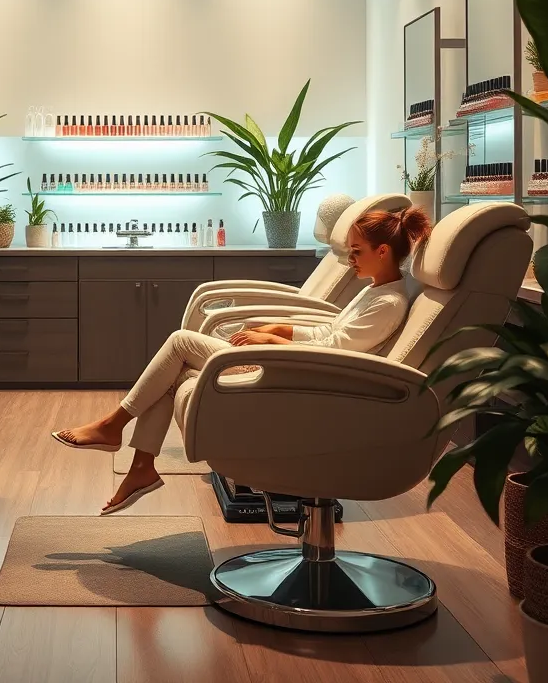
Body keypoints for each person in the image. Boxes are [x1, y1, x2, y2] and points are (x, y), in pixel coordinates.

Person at [52, 206, 432, 514]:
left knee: (180, 342)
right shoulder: (375, 291)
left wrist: (269, 341)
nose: (350, 259)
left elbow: (333, 354)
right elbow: (331, 333)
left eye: (356, 251)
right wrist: (281, 328)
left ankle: (113, 425)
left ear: (383, 252)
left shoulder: (387, 303)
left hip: (299, 378)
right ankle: (140, 465)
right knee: (176, 367)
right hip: (297, 366)